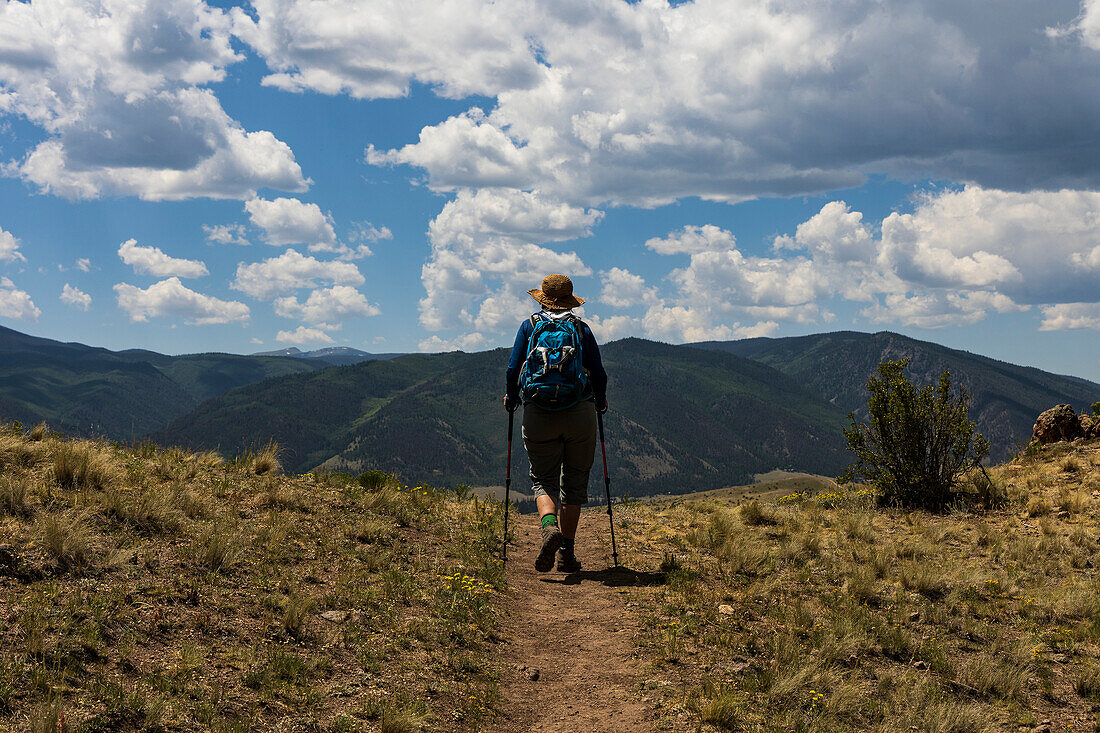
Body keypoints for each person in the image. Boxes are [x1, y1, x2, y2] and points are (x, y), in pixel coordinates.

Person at [505, 274, 608, 573]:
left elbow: (513, 369)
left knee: (542, 480)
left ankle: (549, 526)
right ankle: (567, 553)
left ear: (542, 298)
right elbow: (599, 374)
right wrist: (599, 400)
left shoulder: (530, 325)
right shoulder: (580, 328)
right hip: (580, 412)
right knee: (574, 483)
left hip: (538, 411)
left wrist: (512, 398)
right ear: (570, 300)